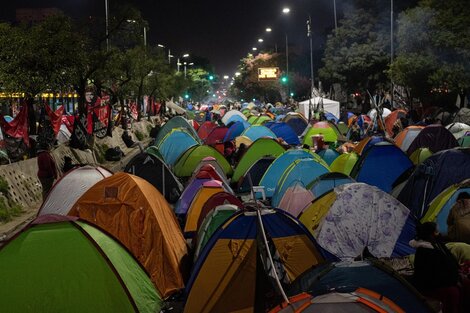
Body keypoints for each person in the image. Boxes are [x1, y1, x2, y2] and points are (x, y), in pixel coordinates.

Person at [410, 222, 461, 313]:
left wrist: (458, 273)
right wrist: (453, 280)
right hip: (430, 286)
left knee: (465, 284)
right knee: (453, 292)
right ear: (431, 234)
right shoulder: (424, 251)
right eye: (436, 231)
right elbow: (431, 276)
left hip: (444, 281)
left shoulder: (438, 244)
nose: (439, 233)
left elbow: (451, 262)